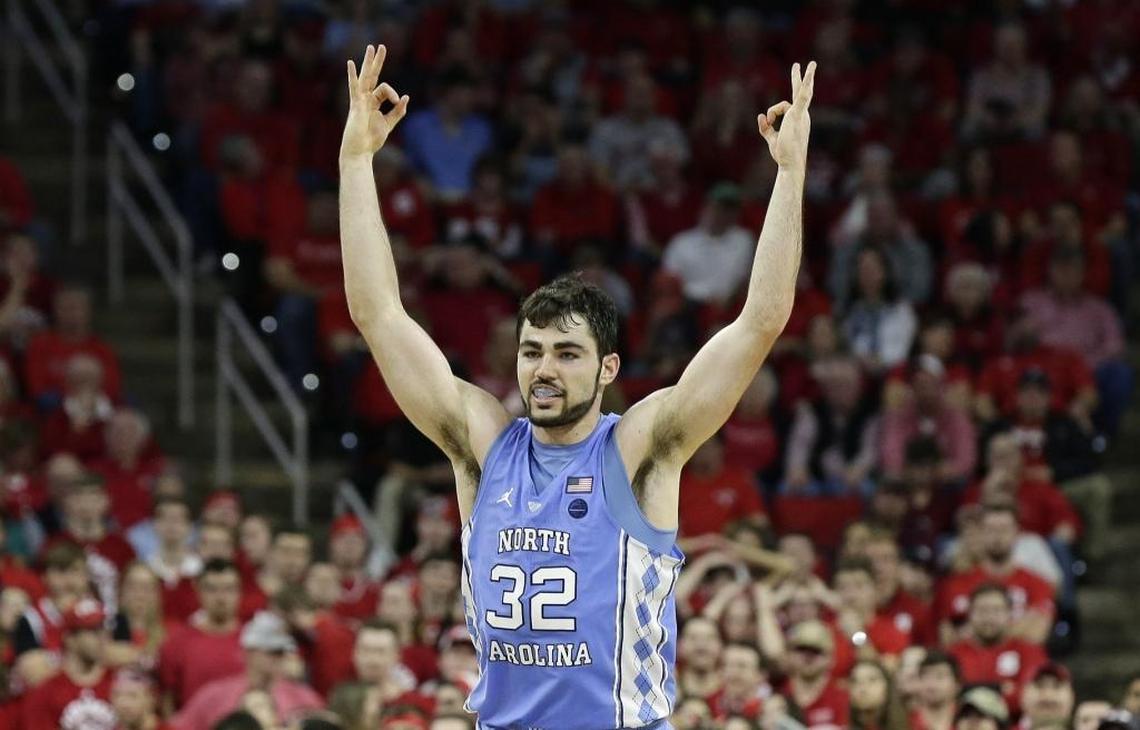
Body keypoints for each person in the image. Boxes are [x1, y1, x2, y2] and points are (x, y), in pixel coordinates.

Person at [339, 41, 815, 728]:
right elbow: (378, 315)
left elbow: (760, 322)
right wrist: (357, 162)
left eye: (567, 354)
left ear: (607, 369)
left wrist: (789, 174)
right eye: (532, 352)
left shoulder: (642, 447)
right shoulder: (482, 443)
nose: (545, 369)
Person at [170, 610, 324, 729]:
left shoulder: (305, 699)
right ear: (248, 652)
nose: (278, 658)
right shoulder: (214, 696)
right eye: (272, 652)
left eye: (281, 652)